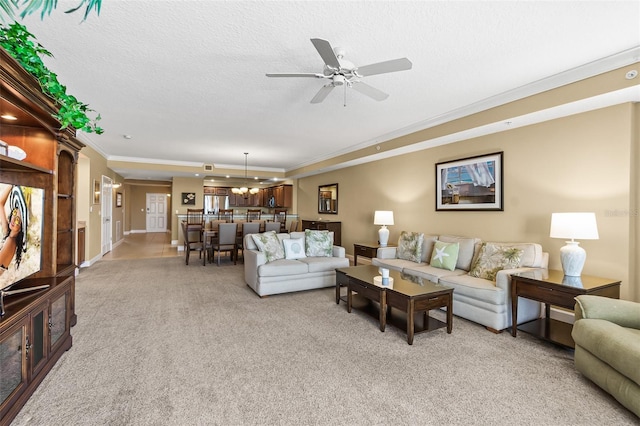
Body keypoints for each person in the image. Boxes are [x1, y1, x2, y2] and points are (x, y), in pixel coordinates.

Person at [0, 184, 24, 274]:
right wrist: (12, 183)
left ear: (21, 228)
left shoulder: (11, 242)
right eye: (14, 213)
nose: (13, 219)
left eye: (18, 220)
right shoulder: (9, 233)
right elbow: (0, 204)